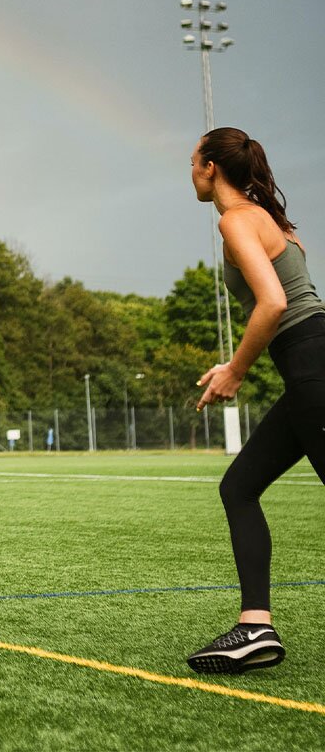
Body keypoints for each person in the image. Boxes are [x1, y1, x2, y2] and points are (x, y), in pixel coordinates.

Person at [185, 127, 325, 674]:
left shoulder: (236, 220)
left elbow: (272, 303)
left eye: (193, 161)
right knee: (239, 486)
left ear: (211, 168)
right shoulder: (270, 220)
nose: (191, 171)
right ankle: (255, 627)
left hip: (314, 367)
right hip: (309, 371)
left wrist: (235, 372)